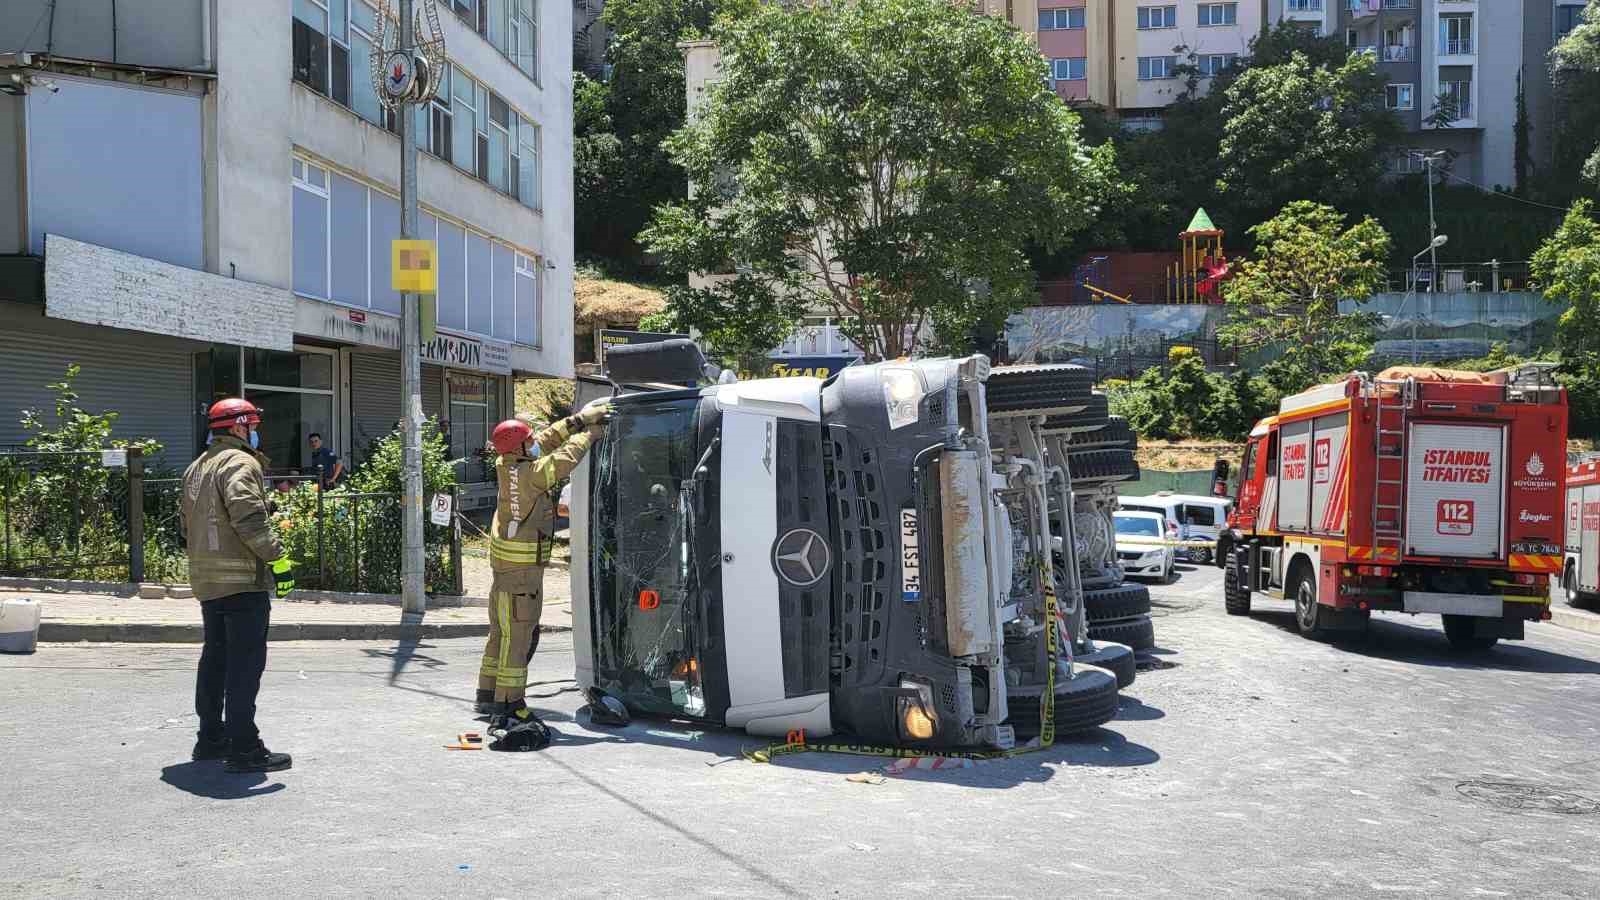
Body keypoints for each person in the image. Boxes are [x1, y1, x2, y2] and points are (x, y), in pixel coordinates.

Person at [476, 397, 614, 750]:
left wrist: (580, 419)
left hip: (505, 571)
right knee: (518, 638)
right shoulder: (530, 475)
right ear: (519, 447)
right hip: (522, 575)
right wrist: (591, 434)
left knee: (500, 633)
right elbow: (563, 460)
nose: (533, 441)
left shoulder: (507, 463)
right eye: (528, 439)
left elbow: (545, 442)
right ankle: (511, 704)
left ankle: (487, 694)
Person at [180, 398, 298, 774]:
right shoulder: (239, 462)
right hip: (243, 583)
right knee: (245, 667)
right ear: (237, 427)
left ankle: (210, 739)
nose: (255, 432)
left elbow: (187, 526)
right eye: (251, 426)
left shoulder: (197, 467)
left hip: (208, 582)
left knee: (215, 661)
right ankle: (244, 747)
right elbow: (248, 518)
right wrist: (278, 560)